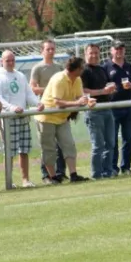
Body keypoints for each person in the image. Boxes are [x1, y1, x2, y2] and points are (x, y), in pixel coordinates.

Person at [35, 56, 93, 184]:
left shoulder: (77, 79)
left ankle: (73, 175)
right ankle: (53, 177)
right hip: (47, 118)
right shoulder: (59, 79)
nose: (83, 70)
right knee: (49, 148)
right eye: (81, 68)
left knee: (69, 145)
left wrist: (86, 101)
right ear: (75, 69)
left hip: (62, 118)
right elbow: (57, 103)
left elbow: (79, 97)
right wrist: (77, 102)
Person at [0, 50, 44, 188]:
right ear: (1, 61)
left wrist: (37, 103)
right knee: (9, 151)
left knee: (24, 149)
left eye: (12, 60)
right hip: (8, 118)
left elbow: (28, 93)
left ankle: (25, 180)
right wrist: (12, 108)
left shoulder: (20, 75)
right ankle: (9, 181)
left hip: (23, 116)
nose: (10, 62)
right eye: (7, 60)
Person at [30, 39, 66, 182]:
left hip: (59, 109)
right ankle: (46, 175)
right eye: (48, 49)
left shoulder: (59, 67)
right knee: (47, 144)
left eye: (53, 49)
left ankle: (61, 172)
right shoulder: (37, 68)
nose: (51, 51)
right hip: (44, 109)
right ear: (42, 51)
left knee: (62, 143)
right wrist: (50, 90)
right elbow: (32, 88)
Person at [104, 40, 131, 176]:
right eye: (116, 49)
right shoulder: (106, 66)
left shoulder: (129, 66)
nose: (119, 51)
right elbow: (102, 85)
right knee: (112, 139)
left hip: (128, 105)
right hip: (113, 106)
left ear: (124, 51)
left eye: (121, 49)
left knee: (128, 139)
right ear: (111, 50)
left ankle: (126, 167)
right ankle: (113, 168)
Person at [81, 44, 117, 179]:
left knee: (110, 143)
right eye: (91, 53)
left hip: (107, 109)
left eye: (96, 53)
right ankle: (96, 174)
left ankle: (107, 172)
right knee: (98, 145)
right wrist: (102, 91)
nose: (94, 55)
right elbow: (83, 91)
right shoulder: (84, 70)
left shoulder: (102, 69)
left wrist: (112, 88)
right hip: (94, 111)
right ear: (86, 54)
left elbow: (107, 86)